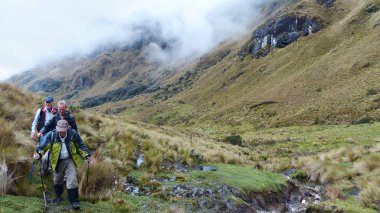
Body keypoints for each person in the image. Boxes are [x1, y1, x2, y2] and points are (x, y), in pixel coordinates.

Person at [33, 120, 91, 210]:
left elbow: (80, 145)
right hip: (58, 160)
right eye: (60, 131)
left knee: (72, 179)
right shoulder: (51, 135)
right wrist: (39, 154)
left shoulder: (73, 134)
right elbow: (43, 147)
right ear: (57, 128)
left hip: (70, 159)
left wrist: (86, 154)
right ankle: (58, 196)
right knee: (57, 180)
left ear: (67, 128)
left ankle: (74, 201)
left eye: (64, 131)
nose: (62, 132)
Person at [30, 95, 58, 175]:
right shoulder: (40, 111)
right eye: (46, 102)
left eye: (49, 102)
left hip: (53, 134)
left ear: (52, 102)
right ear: (44, 102)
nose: (47, 103)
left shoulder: (57, 111)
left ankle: (53, 168)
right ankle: (45, 170)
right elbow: (35, 122)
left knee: (52, 151)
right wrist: (33, 131)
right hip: (42, 134)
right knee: (41, 151)